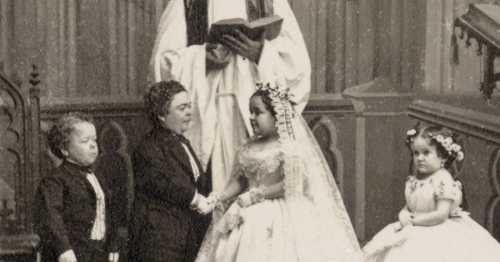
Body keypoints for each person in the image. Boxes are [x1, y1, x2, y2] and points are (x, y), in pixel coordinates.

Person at [150, 0, 311, 193]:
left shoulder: (269, 2)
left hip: (252, 116)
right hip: (208, 120)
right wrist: (201, 60)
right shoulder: (186, 3)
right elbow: (161, 64)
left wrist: (261, 53)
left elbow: (298, 66)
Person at [194, 84, 364, 262]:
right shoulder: (248, 147)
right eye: (250, 111)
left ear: (276, 116)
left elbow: (293, 183)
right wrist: (218, 198)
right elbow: (241, 181)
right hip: (245, 209)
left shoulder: (289, 148)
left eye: (258, 112)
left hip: (281, 212)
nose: (251, 117)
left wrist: (257, 195)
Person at [363, 125, 500, 262]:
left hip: (438, 229)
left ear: (443, 158)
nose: (420, 158)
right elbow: (410, 206)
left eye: (426, 153)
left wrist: (412, 221)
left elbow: (441, 214)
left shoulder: (442, 179)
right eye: (416, 153)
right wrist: (403, 214)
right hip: (414, 226)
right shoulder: (415, 179)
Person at [128, 80, 212, 262]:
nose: (189, 113)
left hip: (181, 232)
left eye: (189, 106)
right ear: (161, 115)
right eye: (182, 108)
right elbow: (164, 183)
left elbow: (196, 179)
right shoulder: (148, 147)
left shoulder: (181, 142)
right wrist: (196, 199)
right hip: (158, 237)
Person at [34, 113, 120, 262]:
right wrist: (63, 249)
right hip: (70, 254)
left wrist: (113, 243)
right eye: (85, 141)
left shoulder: (97, 177)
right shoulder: (55, 181)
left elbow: (109, 212)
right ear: (64, 149)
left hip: (98, 252)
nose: (93, 145)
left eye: (94, 140)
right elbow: (50, 218)